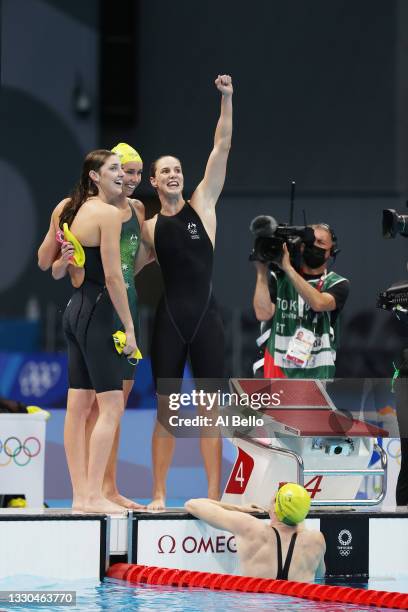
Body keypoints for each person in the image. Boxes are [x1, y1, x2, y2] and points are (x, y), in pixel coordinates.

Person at [38, 143, 152, 509]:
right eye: (115, 169)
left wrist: (65, 263)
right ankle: (92, 495)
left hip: (76, 311)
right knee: (112, 408)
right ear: (95, 176)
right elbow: (114, 278)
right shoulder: (105, 214)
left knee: (78, 405)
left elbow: (56, 267)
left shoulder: (72, 209)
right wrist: (131, 329)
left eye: (125, 169)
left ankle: (82, 495)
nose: (122, 175)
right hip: (102, 312)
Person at [142, 75, 233, 509]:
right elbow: (123, 268)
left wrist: (227, 100)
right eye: (166, 171)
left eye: (177, 169)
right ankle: (158, 494)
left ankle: (213, 495)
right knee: (166, 412)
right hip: (170, 322)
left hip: (206, 319)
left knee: (211, 411)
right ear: (155, 183)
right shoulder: (147, 229)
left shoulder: (203, 204)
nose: (175, 174)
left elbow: (221, 147)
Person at [253, 224, 349, 378]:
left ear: (331, 251)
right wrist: (261, 272)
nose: (314, 245)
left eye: (320, 242)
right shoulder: (279, 278)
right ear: (301, 246)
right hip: (275, 369)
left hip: (316, 372)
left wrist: (288, 268)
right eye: (310, 241)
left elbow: (318, 303)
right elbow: (262, 314)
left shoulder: (337, 283)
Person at [185, 483, 325, 582]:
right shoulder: (316, 541)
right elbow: (320, 575)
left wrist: (238, 508)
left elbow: (193, 505)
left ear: (275, 507)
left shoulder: (251, 528)